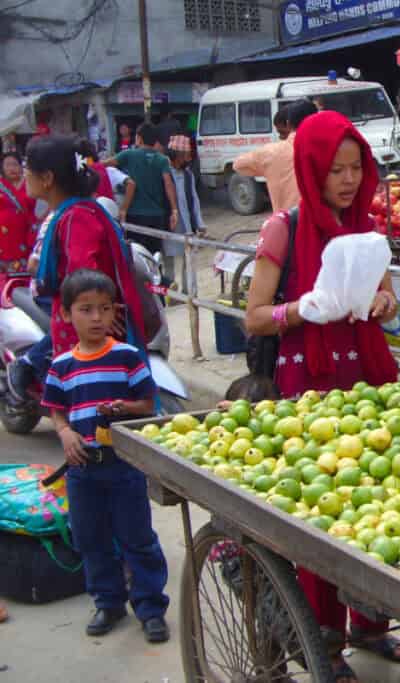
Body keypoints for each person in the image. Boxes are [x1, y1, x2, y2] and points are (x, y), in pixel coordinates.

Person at [243, 110, 400, 681]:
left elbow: (386, 299)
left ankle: (371, 624)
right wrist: (299, 311)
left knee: (376, 503)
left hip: (367, 379)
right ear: (310, 170)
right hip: (307, 390)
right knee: (322, 512)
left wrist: (383, 304)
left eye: (355, 168)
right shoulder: (282, 231)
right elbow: (254, 316)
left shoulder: (366, 228)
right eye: (334, 169)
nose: (345, 180)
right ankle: (324, 641)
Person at [40, 268, 169, 643]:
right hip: (81, 468)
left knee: (138, 538)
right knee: (91, 539)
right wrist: (64, 433)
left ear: (115, 311)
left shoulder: (127, 357)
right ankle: (108, 602)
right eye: (85, 309)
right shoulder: (62, 365)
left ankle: (150, 608)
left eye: (104, 309)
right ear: (66, 314)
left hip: (123, 465)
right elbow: (56, 409)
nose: (96, 318)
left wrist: (124, 408)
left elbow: (147, 403)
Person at [8, 135, 149, 406]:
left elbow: (84, 276)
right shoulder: (75, 212)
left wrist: (96, 310)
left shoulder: (76, 217)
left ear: (47, 177)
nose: (25, 177)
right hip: (78, 326)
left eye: (27, 171)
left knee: (93, 410)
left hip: (84, 333)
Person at [105, 122, 178, 256]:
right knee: (155, 255)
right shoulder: (162, 159)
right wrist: (174, 210)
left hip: (135, 215)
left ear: (139, 138)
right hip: (157, 216)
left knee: (137, 257)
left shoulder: (128, 155)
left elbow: (104, 164)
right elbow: (168, 184)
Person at [234, 99, 317, 213]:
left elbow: (238, 165)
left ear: (288, 124)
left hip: (287, 225)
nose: (280, 137)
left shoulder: (271, 153)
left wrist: (267, 168)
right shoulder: (333, 147)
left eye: (282, 133)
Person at [164, 135, 205, 286]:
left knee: (189, 259)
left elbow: (194, 200)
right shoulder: (165, 173)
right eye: (184, 156)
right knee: (168, 260)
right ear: (176, 155)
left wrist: (199, 223)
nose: (187, 160)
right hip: (170, 224)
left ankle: (189, 292)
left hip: (188, 224)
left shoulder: (188, 175)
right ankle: (170, 291)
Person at [0, 151, 36, 274]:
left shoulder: (31, 183)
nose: (12, 168)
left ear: (21, 166)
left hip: (26, 232)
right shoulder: (1, 185)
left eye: (15, 164)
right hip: (4, 236)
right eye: (8, 165)